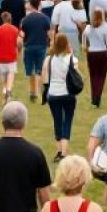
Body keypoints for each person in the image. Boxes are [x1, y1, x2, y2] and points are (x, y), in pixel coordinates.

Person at [41, 32, 80, 162]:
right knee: (67, 121)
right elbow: (76, 76)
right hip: (68, 93)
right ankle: (64, 152)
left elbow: (44, 77)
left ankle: (59, 150)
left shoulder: (49, 59)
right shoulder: (72, 59)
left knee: (57, 121)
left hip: (53, 93)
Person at [19, 0, 51, 102]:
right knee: (41, 70)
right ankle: (43, 92)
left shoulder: (25, 20)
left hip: (29, 46)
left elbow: (22, 34)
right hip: (41, 46)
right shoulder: (45, 18)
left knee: (31, 71)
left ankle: (33, 92)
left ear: (30, 5)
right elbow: (49, 33)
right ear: (39, 4)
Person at [0, 11, 23, 104]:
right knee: (10, 75)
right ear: (10, 19)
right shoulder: (15, 30)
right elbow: (19, 43)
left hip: (0, 58)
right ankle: (8, 91)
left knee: (4, 79)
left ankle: (4, 96)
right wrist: (19, 51)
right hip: (11, 57)